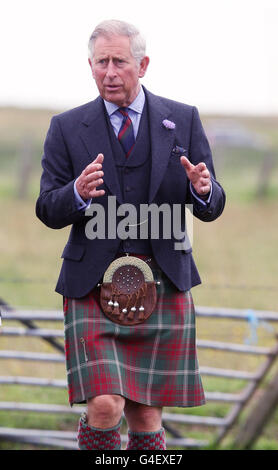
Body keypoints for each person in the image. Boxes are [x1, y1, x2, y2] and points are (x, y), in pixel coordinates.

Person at [36, 19, 225, 451]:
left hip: (163, 280)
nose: (109, 72)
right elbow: (47, 207)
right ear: (90, 65)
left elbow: (213, 202)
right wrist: (76, 194)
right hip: (92, 285)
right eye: (100, 62)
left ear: (142, 64)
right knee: (105, 405)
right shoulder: (67, 127)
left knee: (145, 412)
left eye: (119, 61)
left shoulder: (182, 119)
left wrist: (203, 189)